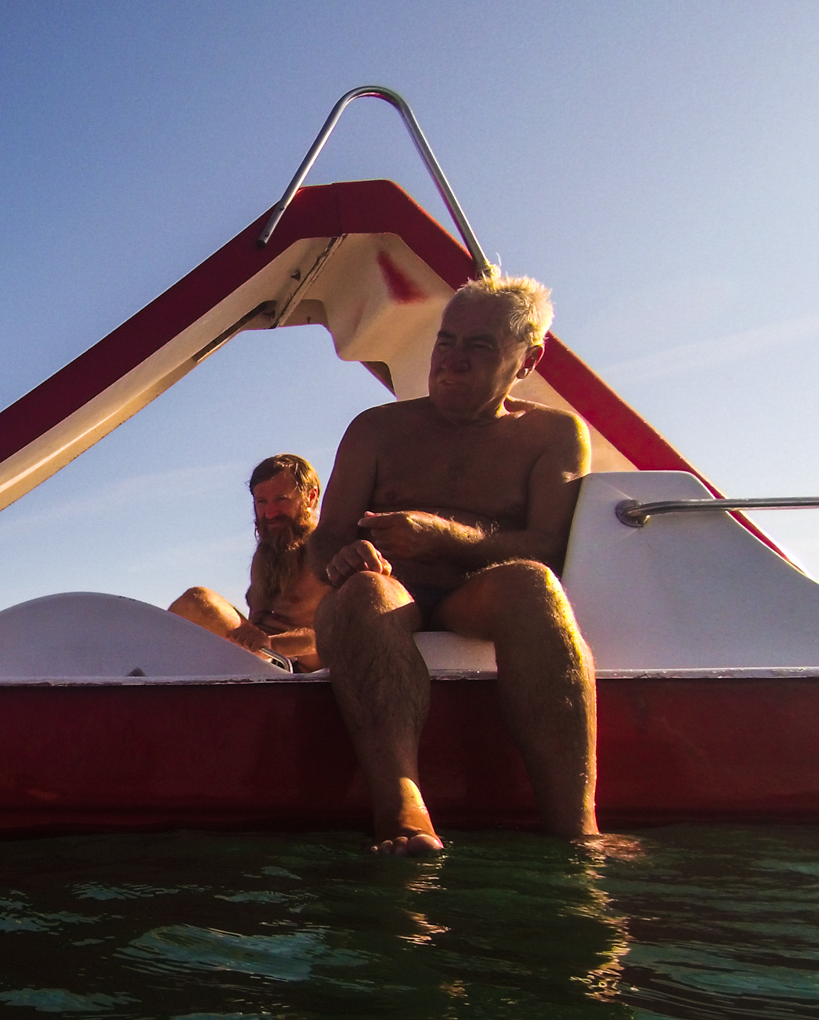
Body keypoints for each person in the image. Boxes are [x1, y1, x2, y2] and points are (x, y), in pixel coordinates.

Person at [309, 273, 597, 854]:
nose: (453, 361)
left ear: (527, 359)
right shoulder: (376, 429)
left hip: (478, 594)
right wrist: (344, 557)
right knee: (365, 593)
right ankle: (404, 820)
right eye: (447, 341)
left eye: (481, 347)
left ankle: (578, 830)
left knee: (534, 587)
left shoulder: (555, 434)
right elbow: (325, 538)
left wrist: (447, 539)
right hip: (387, 594)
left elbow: (549, 547)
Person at [169, 453, 329, 671]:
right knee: (187, 610)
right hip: (255, 661)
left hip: (300, 674)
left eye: (281, 500)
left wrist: (272, 645)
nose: (270, 513)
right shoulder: (267, 553)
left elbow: (340, 633)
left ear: (310, 497)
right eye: (261, 502)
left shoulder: (328, 552)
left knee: (198, 599)